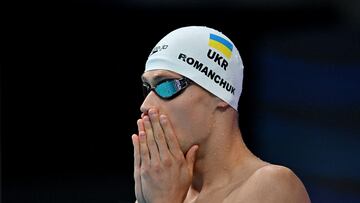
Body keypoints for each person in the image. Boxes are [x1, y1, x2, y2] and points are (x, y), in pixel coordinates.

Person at [131, 26, 311, 203]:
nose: (146, 105)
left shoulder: (272, 185)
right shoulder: (163, 191)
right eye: (147, 88)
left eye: (167, 85)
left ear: (220, 94)